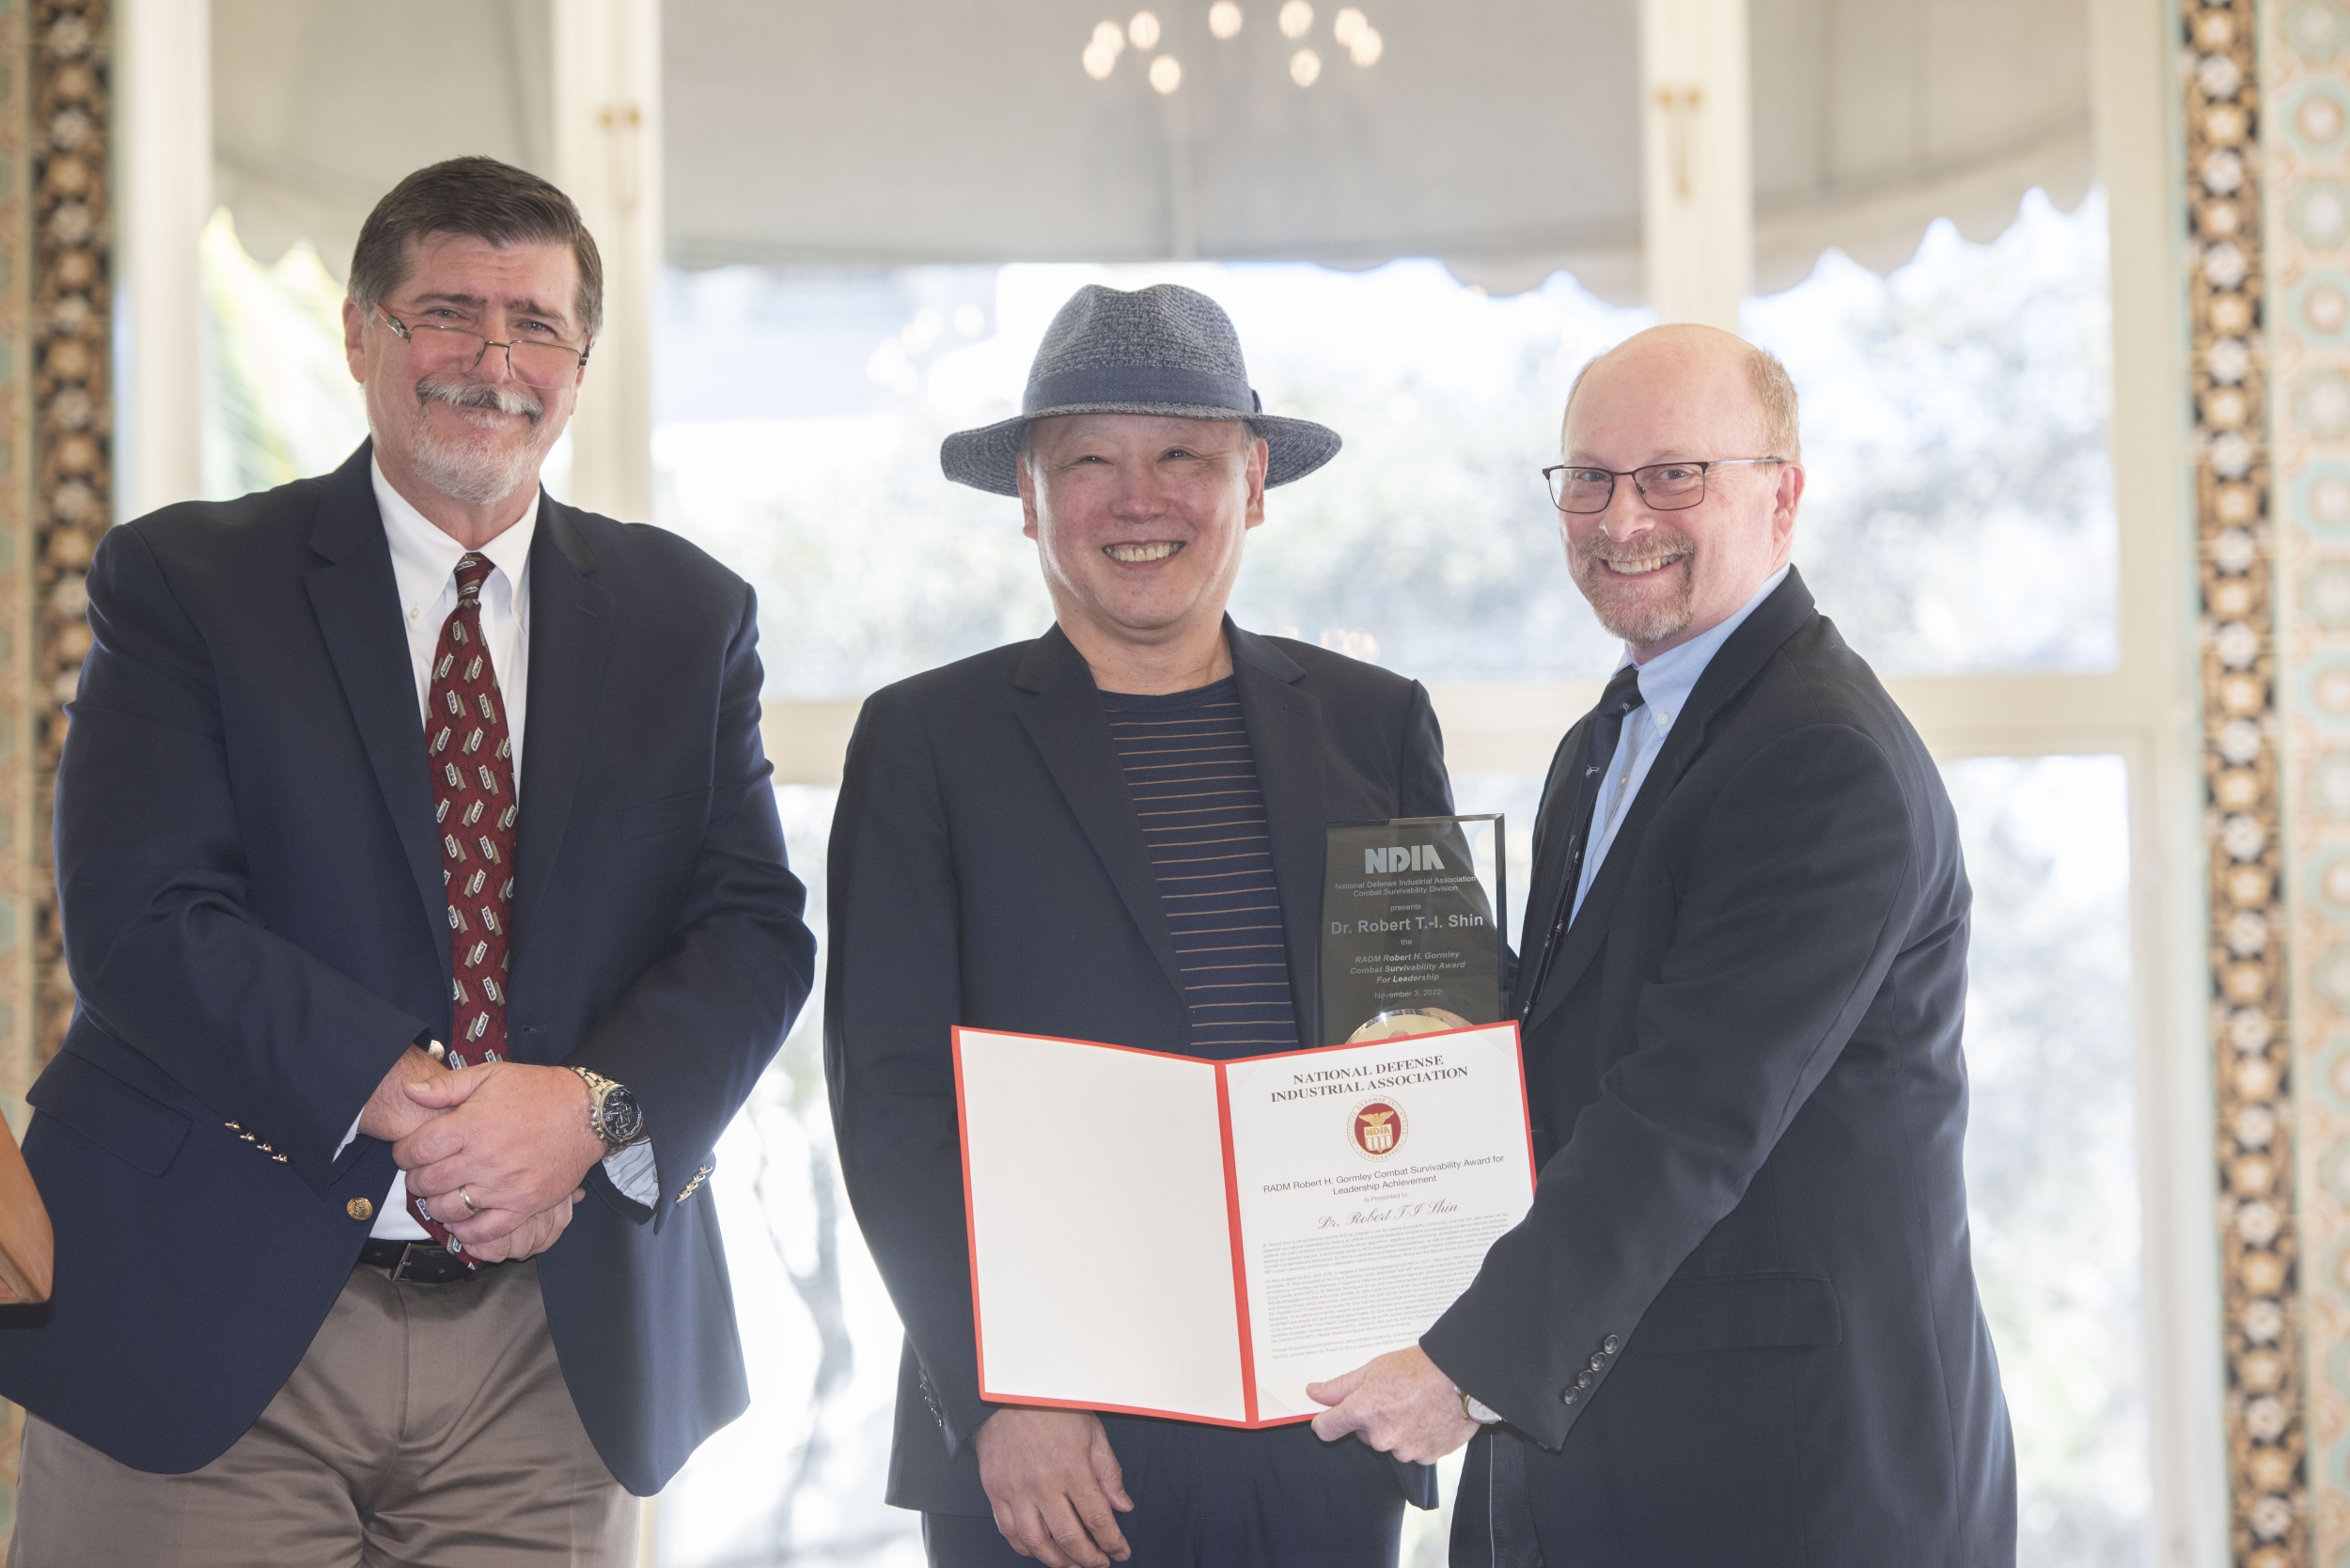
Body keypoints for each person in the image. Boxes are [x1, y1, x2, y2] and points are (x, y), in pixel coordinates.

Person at [0, 156, 816, 1565]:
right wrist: (415, 1098)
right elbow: (143, 916)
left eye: (536, 324)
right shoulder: (187, 582)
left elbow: (750, 929)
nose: (493, 358)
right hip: (208, 1313)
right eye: (447, 311)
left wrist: (589, 1110)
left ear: (580, 363)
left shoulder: (691, 615)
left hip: (552, 1356)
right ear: (361, 333)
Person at [1307, 323, 2016, 1566]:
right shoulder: (1617, 732)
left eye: (1674, 475)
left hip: (1792, 1479)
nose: (1623, 517)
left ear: (1782, 493)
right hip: (1614, 1457)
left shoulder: (1819, 760)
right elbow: (1586, 1058)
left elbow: (1689, 1113)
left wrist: (1466, 1365)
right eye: (1588, 477)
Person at [826, 283, 1449, 1568]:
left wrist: (1435, 1340)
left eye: (1184, 456)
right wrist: (1008, 1387)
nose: (1140, 498)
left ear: (1256, 479)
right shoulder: (926, 743)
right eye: (1090, 463)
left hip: (1323, 1419)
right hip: (1054, 1449)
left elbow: (1428, 1051)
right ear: (1029, 498)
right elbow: (890, 1099)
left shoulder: (1376, 724)